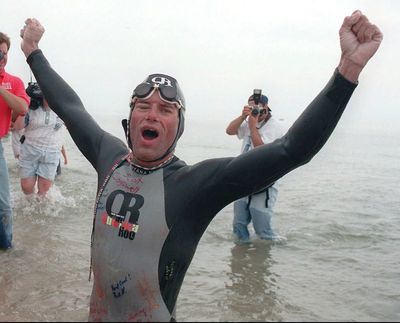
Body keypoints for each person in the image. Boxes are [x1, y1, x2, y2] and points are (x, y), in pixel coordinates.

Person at [20, 11, 382, 322]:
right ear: (129, 120)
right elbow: (69, 106)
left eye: (166, 109)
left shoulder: (196, 185)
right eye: (142, 105)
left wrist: (348, 70)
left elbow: (291, 150)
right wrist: (33, 52)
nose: (152, 113)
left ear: (179, 128)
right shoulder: (109, 157)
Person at [226, 91, 286, 243]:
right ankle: (241, 258)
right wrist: (242, 117)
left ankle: (272, 251)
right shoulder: (248, 122)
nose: (255, 112)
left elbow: (262, 150)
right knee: (239, 225)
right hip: (244, 179)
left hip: (265, 182)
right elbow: (229, 131)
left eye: (257, 108)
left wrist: (253, 127)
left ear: (266, 107)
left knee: (262, 230)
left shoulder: (276, 126)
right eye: (252, 108)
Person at [0, 31, 29, 250]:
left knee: (3, 205)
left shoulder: (14, 81)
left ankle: (6, 247)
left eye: (4, 53)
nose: (2, 58)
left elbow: (21, 108)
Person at [13, 82, 66, 196]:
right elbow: (17, 127)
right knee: (26, 187)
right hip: (30, 149)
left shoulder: (62, 110)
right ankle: (29, 204)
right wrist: (24, 109)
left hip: (52, 152)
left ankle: (40, 209)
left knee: (44, 190)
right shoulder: (31, 109)